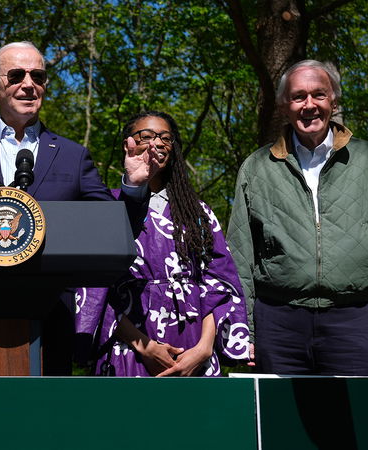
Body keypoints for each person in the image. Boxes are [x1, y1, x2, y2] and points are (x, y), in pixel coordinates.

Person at [0, 41, 143, 375]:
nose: (29, 84)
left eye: (38, 76)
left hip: (50, 318)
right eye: (16, 75)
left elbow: (110, 229)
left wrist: (131, 188)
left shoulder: (73, 155)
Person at [226, 60, 368, 375]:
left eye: (319, 95)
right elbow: (239, 257)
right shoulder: (257, 167)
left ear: (333, 101)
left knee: (360, 422)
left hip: (356, 320)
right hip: (278, 325)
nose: (309, 105)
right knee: (279, 422)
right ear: (284, 105)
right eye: (299, 97)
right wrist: (245, 331)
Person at [76, 111, 250, 376]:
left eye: (165, 138)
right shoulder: (106, 206)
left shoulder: (198, 212)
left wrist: (203, 348)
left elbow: (219, 284)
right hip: (130, 344)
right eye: (145, 136)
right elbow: (95, 289)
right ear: (128, 145)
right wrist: (144, 347)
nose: (156, 143)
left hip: (192, 345)